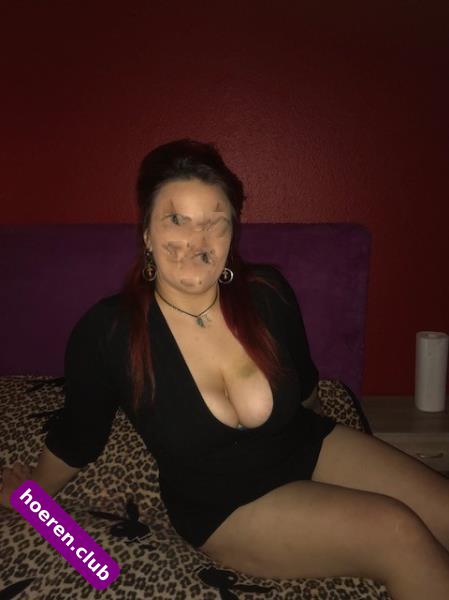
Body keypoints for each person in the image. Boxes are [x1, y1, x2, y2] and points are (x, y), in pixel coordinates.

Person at [2, 139, 449, 598]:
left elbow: (306, 390)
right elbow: (78, 439)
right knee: (398, 533)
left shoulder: (267, 293)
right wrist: (32, 494)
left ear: (232, 234)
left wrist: (336, 439)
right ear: (147, 234)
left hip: (304, 443)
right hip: (225, 505)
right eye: (176, 220)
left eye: (215, 223)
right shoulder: (109, 331)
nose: (196, 240)